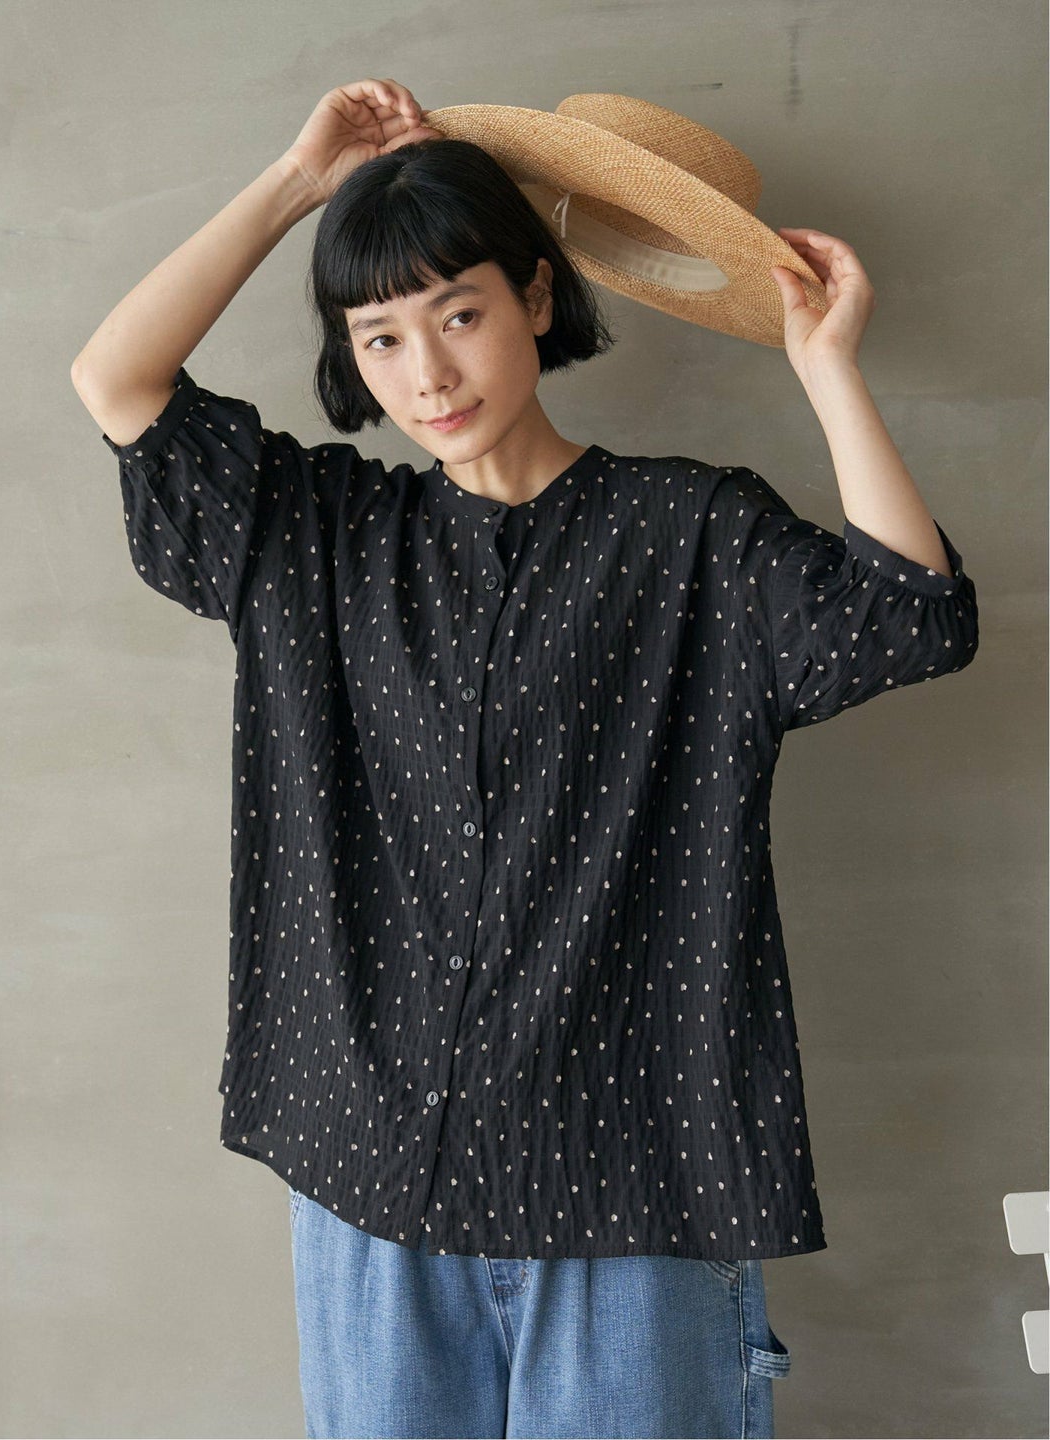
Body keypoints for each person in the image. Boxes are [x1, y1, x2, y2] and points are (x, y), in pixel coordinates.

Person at [71, 79, 979, 1440]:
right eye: (380, 338)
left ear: (536, 298)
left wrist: (824, 365)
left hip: (630, 1192)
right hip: (373, 1180)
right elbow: (116, 380)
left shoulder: (687, 533)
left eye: (458, 315)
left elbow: (912, 615)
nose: (427, 375)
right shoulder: (313, 535)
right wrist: (298, 185)